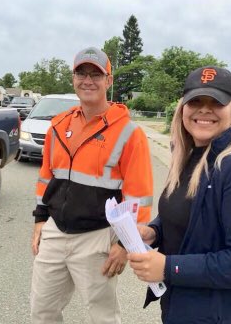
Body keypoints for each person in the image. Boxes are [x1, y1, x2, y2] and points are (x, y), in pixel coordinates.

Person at [127, 66, 231, 324]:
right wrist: (155, 231)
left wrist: (169, 267)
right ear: (182, 108)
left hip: (227, 314)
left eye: (216, 102)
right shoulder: (187, 158)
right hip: (184, 307)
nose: (204, 109)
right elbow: (193, 219)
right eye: (195, 101)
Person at [31, 47, 154, 324]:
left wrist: (125, 244)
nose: (88, 80)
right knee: (42, 312)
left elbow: (139, 196)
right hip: (54, 233)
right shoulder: (58, 126)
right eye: (81, 73)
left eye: (96, 74)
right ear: (73, 78)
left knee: (102, 317)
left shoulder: (129, 133)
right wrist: (40, 220)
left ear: (108, 81)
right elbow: (46, 176)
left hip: (97, 238)